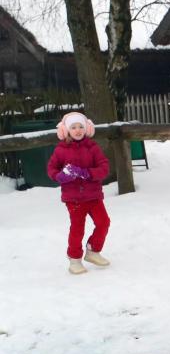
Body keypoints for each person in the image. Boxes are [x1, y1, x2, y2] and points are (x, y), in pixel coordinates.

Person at [46, 112, 111, 275]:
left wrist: (87, 173)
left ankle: (93, 251)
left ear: (87, 128)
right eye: (73, 127)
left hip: (94, 196)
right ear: (66, 130)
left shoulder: (92, 147)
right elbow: (51, 169)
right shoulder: (61, 150)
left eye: (81, 126)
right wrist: (59, 176)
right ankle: (74, 260)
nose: (78, 130)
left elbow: (104, 168)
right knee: (77, 229)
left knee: (103, 222)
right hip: (74, 199)